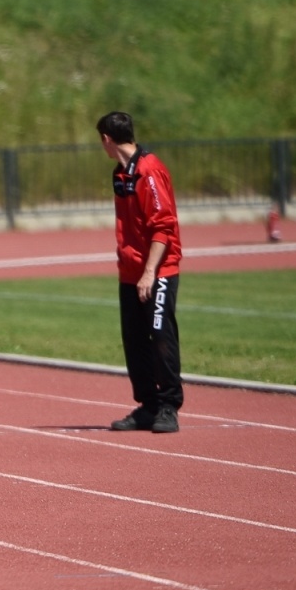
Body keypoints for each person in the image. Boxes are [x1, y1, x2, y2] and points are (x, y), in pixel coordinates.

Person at [97, 111, 183, 434]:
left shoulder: (149, 171)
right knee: (134, 340)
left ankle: (168, 405)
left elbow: (163, 226)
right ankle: (148, 405)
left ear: (107, 139)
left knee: (161, 336)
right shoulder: (121, 174)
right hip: (129, 272)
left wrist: (150, 273)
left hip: (158, 270)